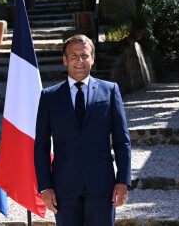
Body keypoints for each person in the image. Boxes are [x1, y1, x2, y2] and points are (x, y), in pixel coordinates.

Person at [34, 34, 131, 226]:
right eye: (74, 55)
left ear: (93, 59)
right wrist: (45, 187)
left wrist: (123, 181)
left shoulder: (110, 91)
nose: (80, 60)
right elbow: (42, 146)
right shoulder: (49, 97)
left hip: (102, 185)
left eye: (85, 55)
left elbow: (122, 141)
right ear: (65, 60)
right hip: (64, 187)